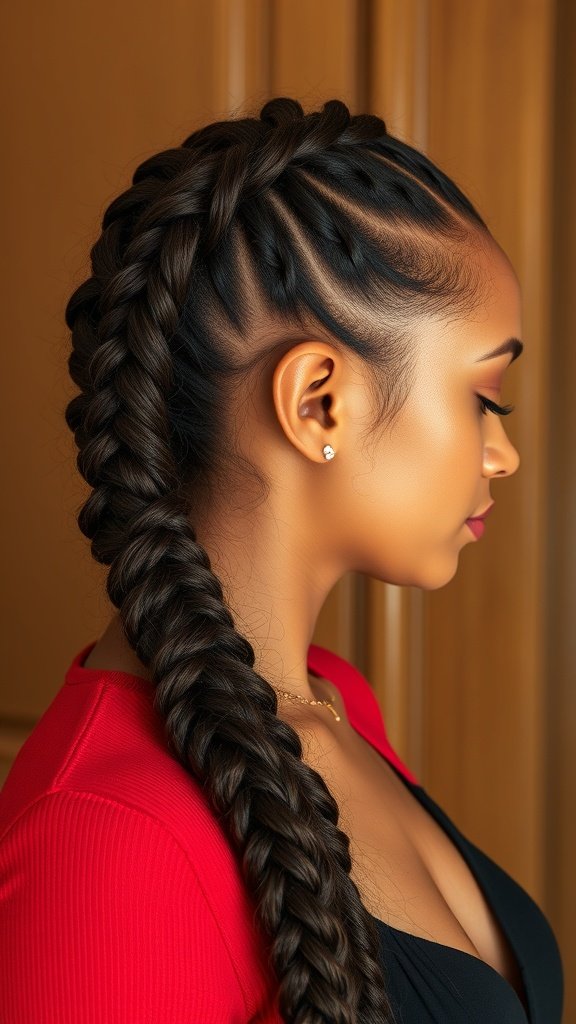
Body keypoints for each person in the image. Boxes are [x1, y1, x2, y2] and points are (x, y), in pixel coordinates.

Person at [0, 97, 563, 1023]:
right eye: (482, 395)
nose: (500, 453)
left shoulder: (332, 700)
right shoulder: (101, 842)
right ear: (317, 402)